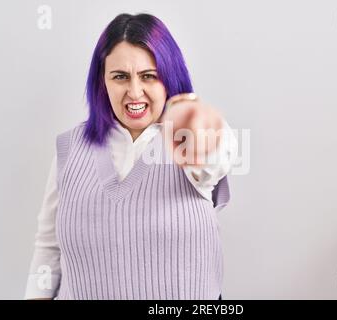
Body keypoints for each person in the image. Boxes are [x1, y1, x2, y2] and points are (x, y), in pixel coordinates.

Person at [24, 13, 237, 300]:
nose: (134, 92)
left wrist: (198, 127)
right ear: (103, 81)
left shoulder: (190, 137)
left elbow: (216, 155)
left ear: (169, 78)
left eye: (149, 76)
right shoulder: (70, 147)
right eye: (120, 77)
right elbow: (48, 249)